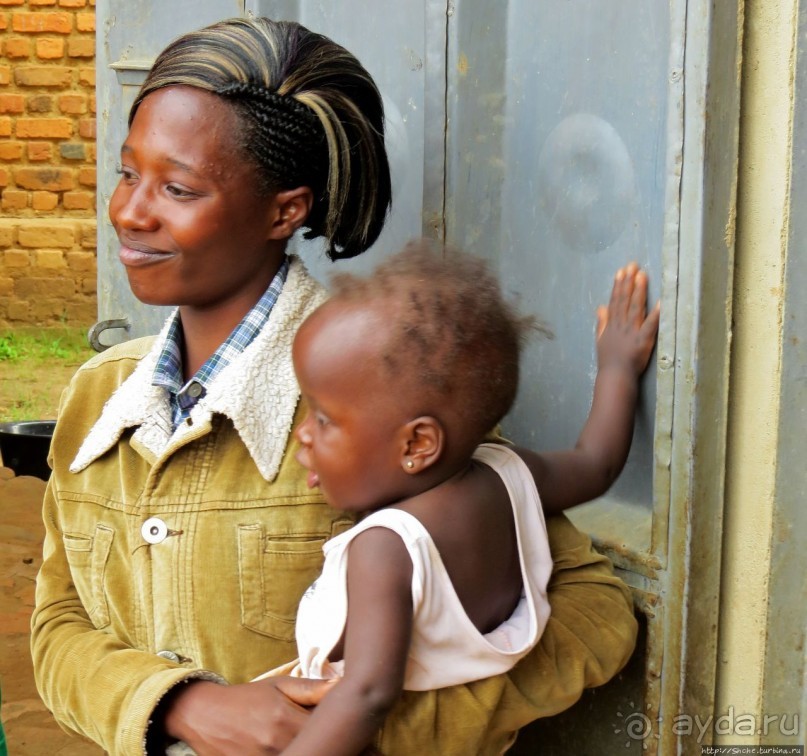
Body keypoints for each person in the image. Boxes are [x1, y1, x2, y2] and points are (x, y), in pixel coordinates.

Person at [31, 16, 641, 756]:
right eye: (129, 172)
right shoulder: (99, 396)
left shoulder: (376, 396)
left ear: (285, 210)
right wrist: (179, 706)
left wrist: (350, 723)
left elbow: (591, 616)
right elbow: (59, 627)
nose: (129, 210)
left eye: (178, 188)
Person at [168, 243, 658, 756]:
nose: (303, 435)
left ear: (417, 445)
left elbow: (367, 693)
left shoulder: (383, 550)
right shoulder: (512, 476)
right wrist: (618, 368)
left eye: (324, 420)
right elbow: (597, 464)